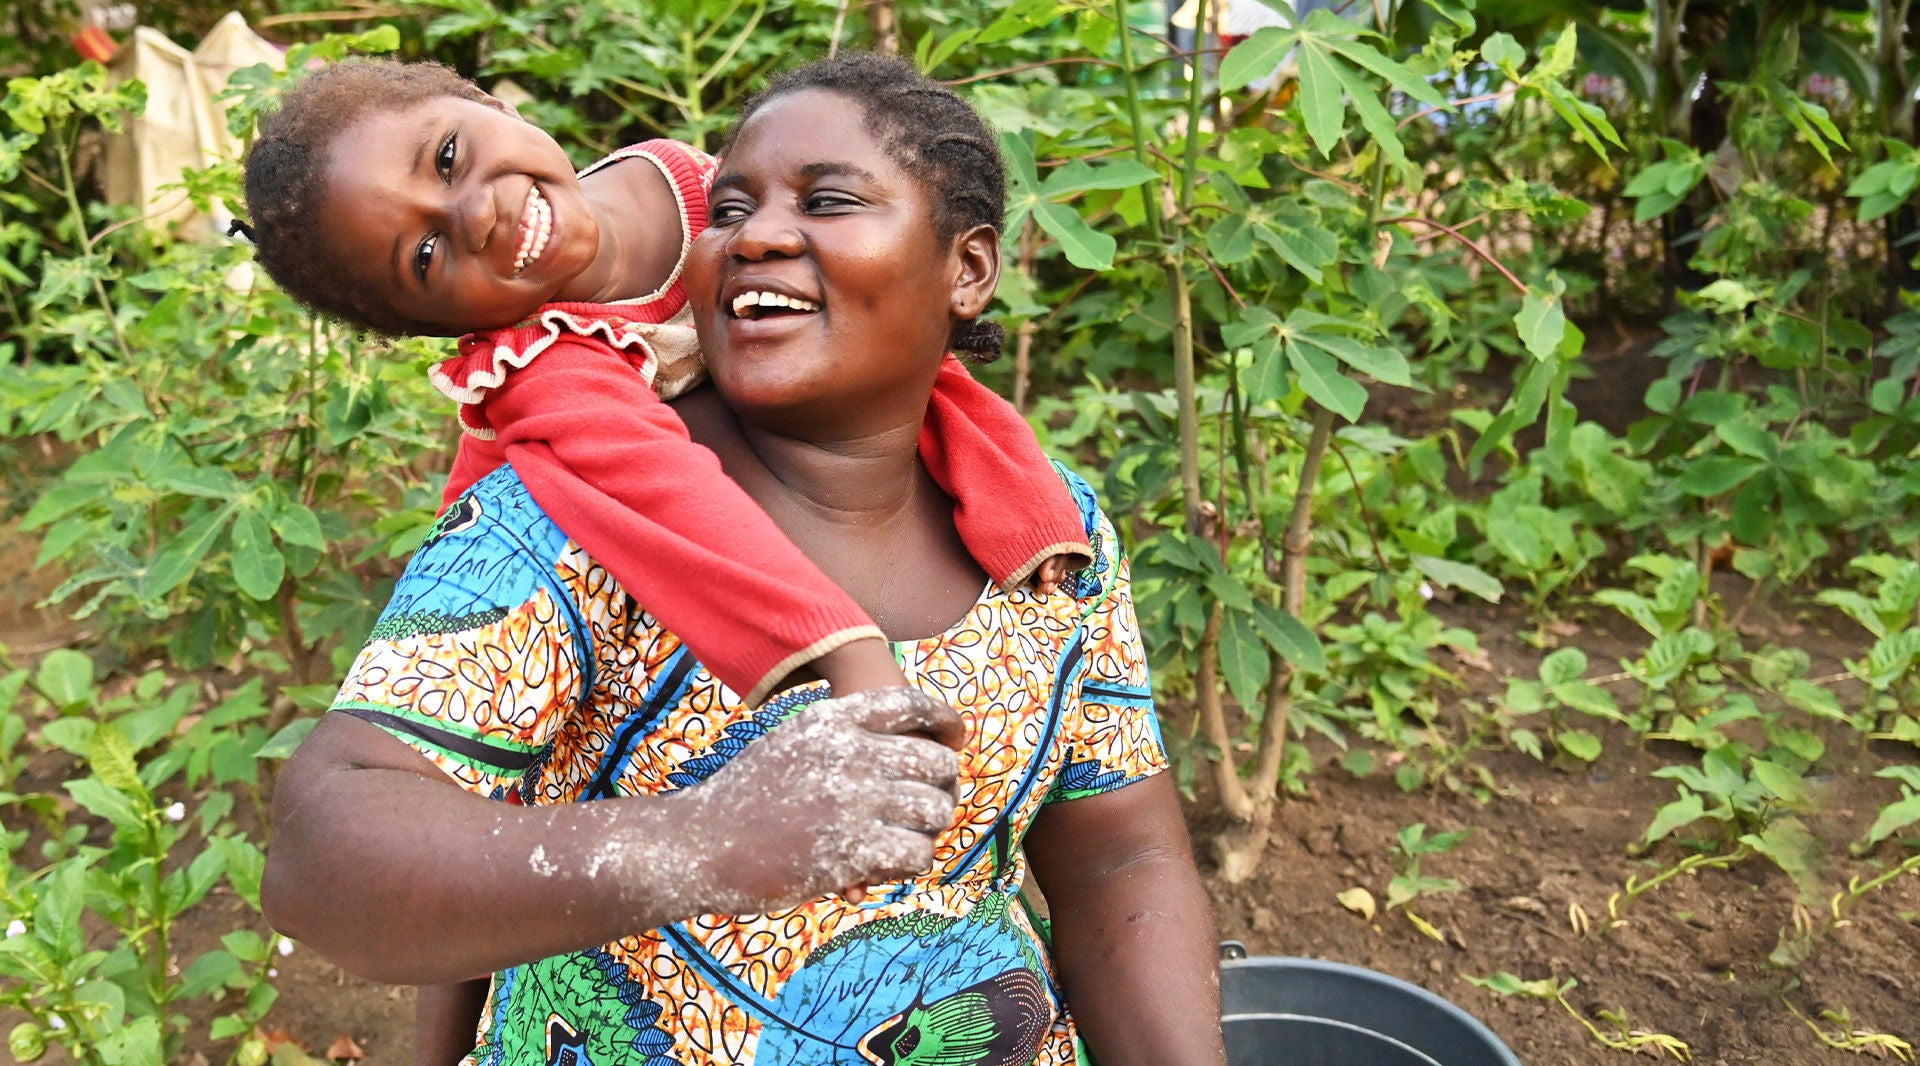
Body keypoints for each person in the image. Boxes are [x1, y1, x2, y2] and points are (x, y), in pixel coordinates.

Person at [262, 52, 1226, 1066]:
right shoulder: (575, 519)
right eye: (731, 211)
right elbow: (324, 852)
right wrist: (708, 839)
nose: (754, 234)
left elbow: (1121, 859)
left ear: (969, 269)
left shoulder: (1049, 533)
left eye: (829, 200)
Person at [239, 58, 1093, 714]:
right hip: (543, 633)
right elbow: (672, 500)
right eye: (425, 256)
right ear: (434, 327)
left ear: (495, 104)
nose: (475, 216)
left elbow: (903, 349)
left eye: (449, 157)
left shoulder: (694, 185)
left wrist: (1029, 514)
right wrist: (846, 656)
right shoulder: (543, 364)